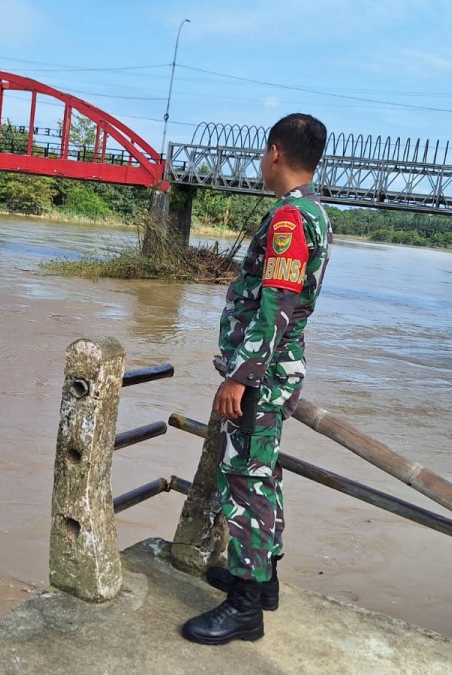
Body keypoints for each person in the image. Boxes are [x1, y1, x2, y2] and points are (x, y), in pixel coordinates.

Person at [181, 113, 332, 645]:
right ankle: (261, 582)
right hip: (273, 372)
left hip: (262, 376)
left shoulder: (291, 219)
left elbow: (276, 305)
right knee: (263, 474)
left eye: (261, 155)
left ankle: (245, 608)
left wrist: (240, 378)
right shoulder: (313, 211)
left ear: (274, 152)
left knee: (246, 480)